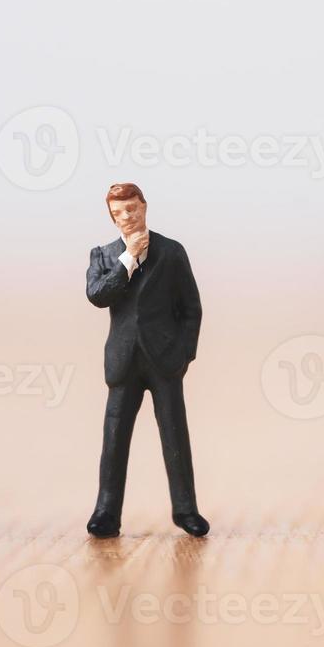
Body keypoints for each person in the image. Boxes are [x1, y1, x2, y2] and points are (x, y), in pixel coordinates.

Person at [85, 183, 209, 538]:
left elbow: (191, 308)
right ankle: (106, 512)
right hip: (124, 361)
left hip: (164, 360)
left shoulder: (171, 252)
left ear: (144, 207)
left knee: (175, 435)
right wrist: (127, 261)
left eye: (132, 209)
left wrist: (185, 353)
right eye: (119, 212)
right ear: (111, 216)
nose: (127, 216)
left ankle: (186, 510)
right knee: (114, 438)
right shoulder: (104, 255)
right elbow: (97, 295)